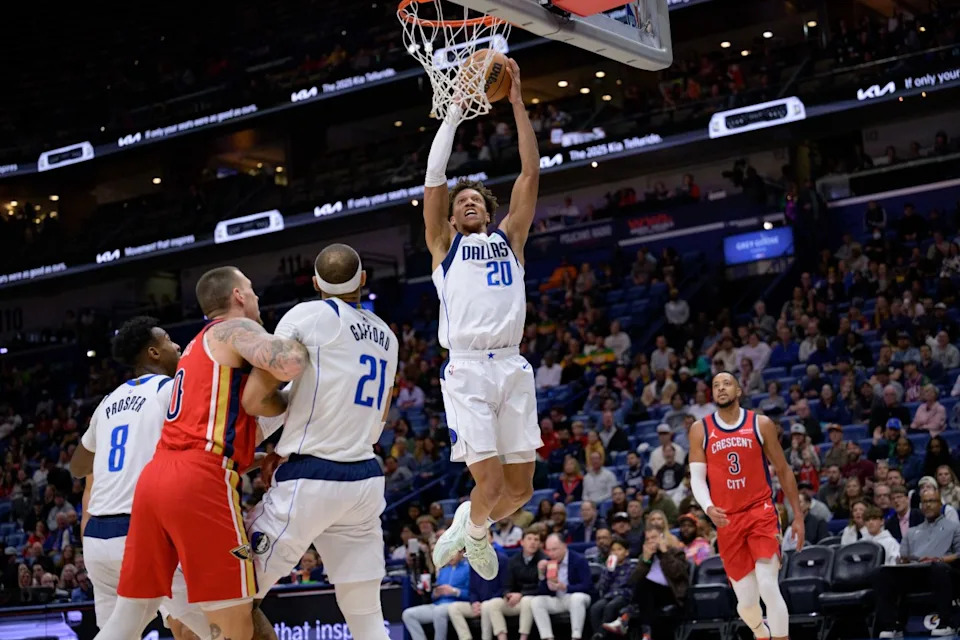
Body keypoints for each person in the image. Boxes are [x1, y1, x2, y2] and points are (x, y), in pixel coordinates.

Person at [93, 266, 309, 640]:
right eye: (251, 289)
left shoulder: (197, 349)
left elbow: (241, 413)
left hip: (156, 481)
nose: (257, 297)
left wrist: (262, 444)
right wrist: (309, 338)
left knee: (128, 620)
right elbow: (288, 361)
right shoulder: (232, 329)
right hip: (199, 480)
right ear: (238, 295)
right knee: (236, 625)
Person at [243, 245, 400, 640]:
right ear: (363, 279)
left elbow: (269, 383)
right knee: (366, 614)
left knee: (237, 594)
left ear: (315, 283)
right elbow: (382, 414)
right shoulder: (387, 335)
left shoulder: (307, 315)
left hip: (311, 475)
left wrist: (254, 443)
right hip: (364, 476)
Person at [426, 58, 542, 580]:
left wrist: (517, 103)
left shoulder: (509, 239)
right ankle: (474, 528)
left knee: (521, 491)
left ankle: (470, 528)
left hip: (513, 365)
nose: (469, 202)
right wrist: (454, 113)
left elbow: (529, 173)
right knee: (491, 486)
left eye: (476, 199)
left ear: (489, 212)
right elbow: (435, 179)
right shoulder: (443, 245)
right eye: (462, 201)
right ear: (451, 217)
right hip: (469, 369)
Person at [68, 317, 205, 639]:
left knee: (119, 633)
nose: (177, 346)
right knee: (222, 628)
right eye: (169, 339)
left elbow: (77, 467)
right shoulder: (171, 389)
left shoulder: (108, 401)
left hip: (98, 540)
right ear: (153, 352)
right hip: (141, 533)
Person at [689, 372, 802, 640]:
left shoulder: (760, 424)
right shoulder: (700, 429)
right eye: (716, 385)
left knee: (768, 585)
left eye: (726, 384)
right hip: (728, 520)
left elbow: (784, 470)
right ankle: (760, 632)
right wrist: (708, 507)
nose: (721, 388)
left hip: (760, 512)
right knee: (747, 604)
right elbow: (696, 478)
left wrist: (797, 516)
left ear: (739, 391)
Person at [874, 486, 960, 638]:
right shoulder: (912, 531)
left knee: (939, 569)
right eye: (925, 502)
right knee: (883, 573)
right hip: (917, 572)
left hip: (944, 571)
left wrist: (939, 559)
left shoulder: (954, 527)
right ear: (920, 506)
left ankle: (946, 623)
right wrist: (903, 560)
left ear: (940, 504)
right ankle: (892, 626)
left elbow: (959, 554)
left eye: (932, 501)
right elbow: (903, 557)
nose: (928, 505)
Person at [601, 522, 689, 639]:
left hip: (671, 594)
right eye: (648, 539)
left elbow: (677, 573)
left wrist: (665, 553)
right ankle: (646, 634)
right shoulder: (646, 556)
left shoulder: (675, 552)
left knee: (645, 584)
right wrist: (645, 561)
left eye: (654, 537)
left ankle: (625, 618)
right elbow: (632, 581)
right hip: (649, 596)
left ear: (662, 537)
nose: (651, 541)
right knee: (644, 587)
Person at [528, 534, 593, 640]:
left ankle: (576, 636)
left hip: (575, 597)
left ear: (564, 546)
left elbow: (587, 586)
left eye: (554, 549)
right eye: (548, 550)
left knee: (577, 598)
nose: (551, 553)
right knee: (536, 601)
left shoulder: (578, 560)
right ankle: (547, 637)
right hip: (558, 599)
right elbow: (542, 592)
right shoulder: (548, 562)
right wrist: (542, 574)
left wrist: (566, 587)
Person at [484, 529, 543, 640]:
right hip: (515, 600)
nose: (533, 542)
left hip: (532, 599)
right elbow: (507, 584)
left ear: (539, 544)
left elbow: (541, 587)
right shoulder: (513, 560)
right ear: (522, 542)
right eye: (529, 539)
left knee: (527, 600)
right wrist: (508, 594)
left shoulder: (543, 560)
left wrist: (521, 594)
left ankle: (523, 637)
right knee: (493, 604)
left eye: (536, 540)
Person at [448, 535, 509, 640]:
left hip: (496, 601)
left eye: (485, 535)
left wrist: (485, 601)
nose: (482, 539)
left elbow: (505, 586)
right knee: (453, 607)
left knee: (487, 605)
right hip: (478, 604)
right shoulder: (474, 561)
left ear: (492, 539)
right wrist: (474, 602)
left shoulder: (502, 559)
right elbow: (472, 589)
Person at [402, 550, 472, 640]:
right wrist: (435, 594)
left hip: (455, 604)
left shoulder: (468, 569)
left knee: (439, 611)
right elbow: (433, 596)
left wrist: (454, 591)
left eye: (453, 553)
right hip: (438, 604)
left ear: (461, 553)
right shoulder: (443, 571)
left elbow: (472, 594)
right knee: (408, 614)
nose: (450, 556)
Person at [588, 537, 634, 639]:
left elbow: (626, 584)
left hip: (624, 596)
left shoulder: (631, 567)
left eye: (619, 549)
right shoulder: (608, 568)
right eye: (613, 550)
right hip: (609, 595)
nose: (616, 552)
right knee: (595, 608)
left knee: (610, 606)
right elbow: (602, 587)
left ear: (626, 552)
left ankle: (600, 635)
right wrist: (609, 571)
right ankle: (597, 633)